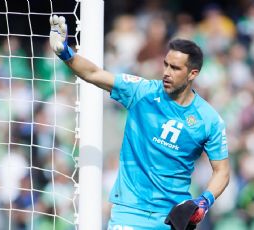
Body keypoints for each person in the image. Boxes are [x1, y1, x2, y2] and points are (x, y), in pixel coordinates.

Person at [49, 15, 230, 230]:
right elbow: (94, 73)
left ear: (193, 74)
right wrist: (65, 52)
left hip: (172, 218)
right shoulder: (142, 91)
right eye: (165, 65)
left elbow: (222, 171)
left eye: (175, 68)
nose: (166, 73)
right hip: (130, 213)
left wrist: (204, 201)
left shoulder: (209, 120)